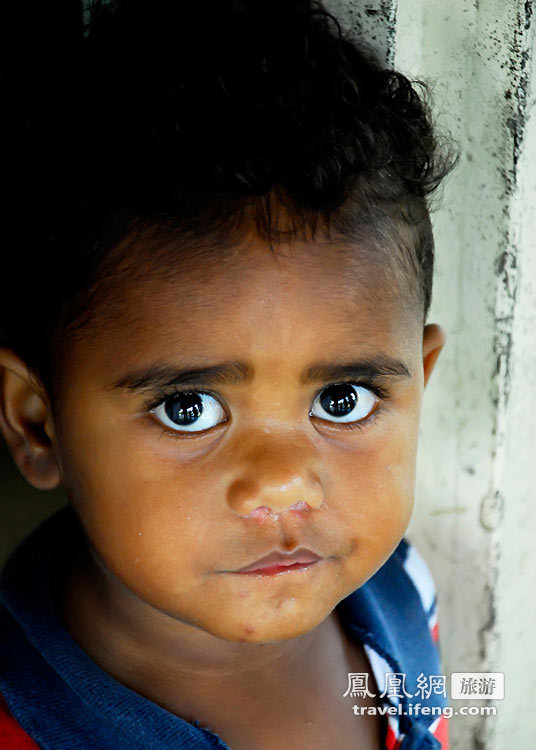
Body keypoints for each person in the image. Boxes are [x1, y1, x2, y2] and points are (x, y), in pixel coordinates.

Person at [0, 0, 456, 747]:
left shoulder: (403, 595)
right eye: (188, 408)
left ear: (421, 381)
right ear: (36, 423)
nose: (284, 485)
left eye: (342, 399)